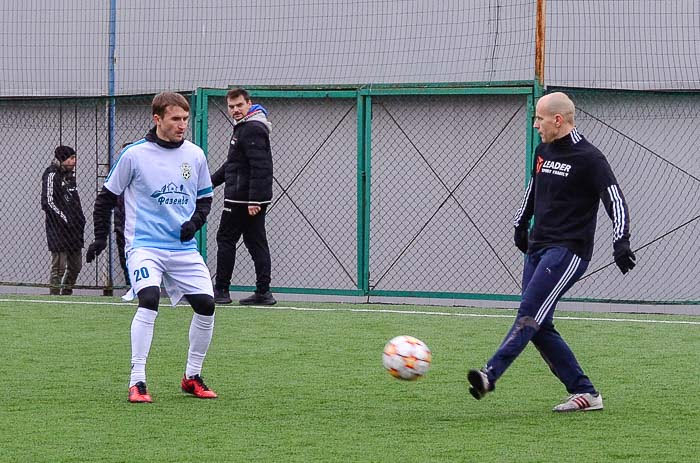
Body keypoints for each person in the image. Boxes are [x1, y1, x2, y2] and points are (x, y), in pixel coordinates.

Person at [467, 92, 637, 412]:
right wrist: (520, 225)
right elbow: (534, 189)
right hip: (538, 247)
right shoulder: (543, 150)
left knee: (529, 314)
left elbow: (614, 198)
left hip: (568, 252)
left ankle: (489, 375)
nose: (536, 125)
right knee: (539, 325)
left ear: (557, 120)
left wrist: (621, 241)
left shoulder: (590, 158)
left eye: (539, 119)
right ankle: (585, 393)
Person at [85, 92, 218, 403]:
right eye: (175, 119)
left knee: (207, 306)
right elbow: (105, 199)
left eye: (185, 119)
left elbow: (205, 198)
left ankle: (192, 376)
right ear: (157, 119)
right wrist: (100, 238)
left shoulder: (195, 155)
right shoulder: (134, 155)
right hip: (144, 246)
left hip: (183, 248)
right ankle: (138, 380)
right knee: (148, 299)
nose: (182, 125)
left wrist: (195, 223)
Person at [211, 87, 276, 306]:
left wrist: (254, 200)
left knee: (226, 239)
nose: (235, 110)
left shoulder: (252, 128)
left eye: (239, 105)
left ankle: (221, 290)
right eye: (231, 106)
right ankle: (263, 292)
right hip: (244, 198)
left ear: (249, 103)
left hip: (242, 199)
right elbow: (234, 163)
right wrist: (210, 182)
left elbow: (261, 166)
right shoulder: (245, 127)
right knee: (255, 242)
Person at [41, 145, 86, 295]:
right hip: (58, 229)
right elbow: (48, 202)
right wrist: (64, 218)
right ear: (62, 159)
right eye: (71, 158)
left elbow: (75, 201)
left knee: (76, 266)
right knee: (59, 266)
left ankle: (66, 291)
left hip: (74, 230)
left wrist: (80, 220)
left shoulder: (70, 177)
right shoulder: (51, 175)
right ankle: (54, 296)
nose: (74, 161)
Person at [113, 142, 132, 287]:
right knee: (124, 256)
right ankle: (130, 285)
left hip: (140, 226)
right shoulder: (118, 176)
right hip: (122, 223)